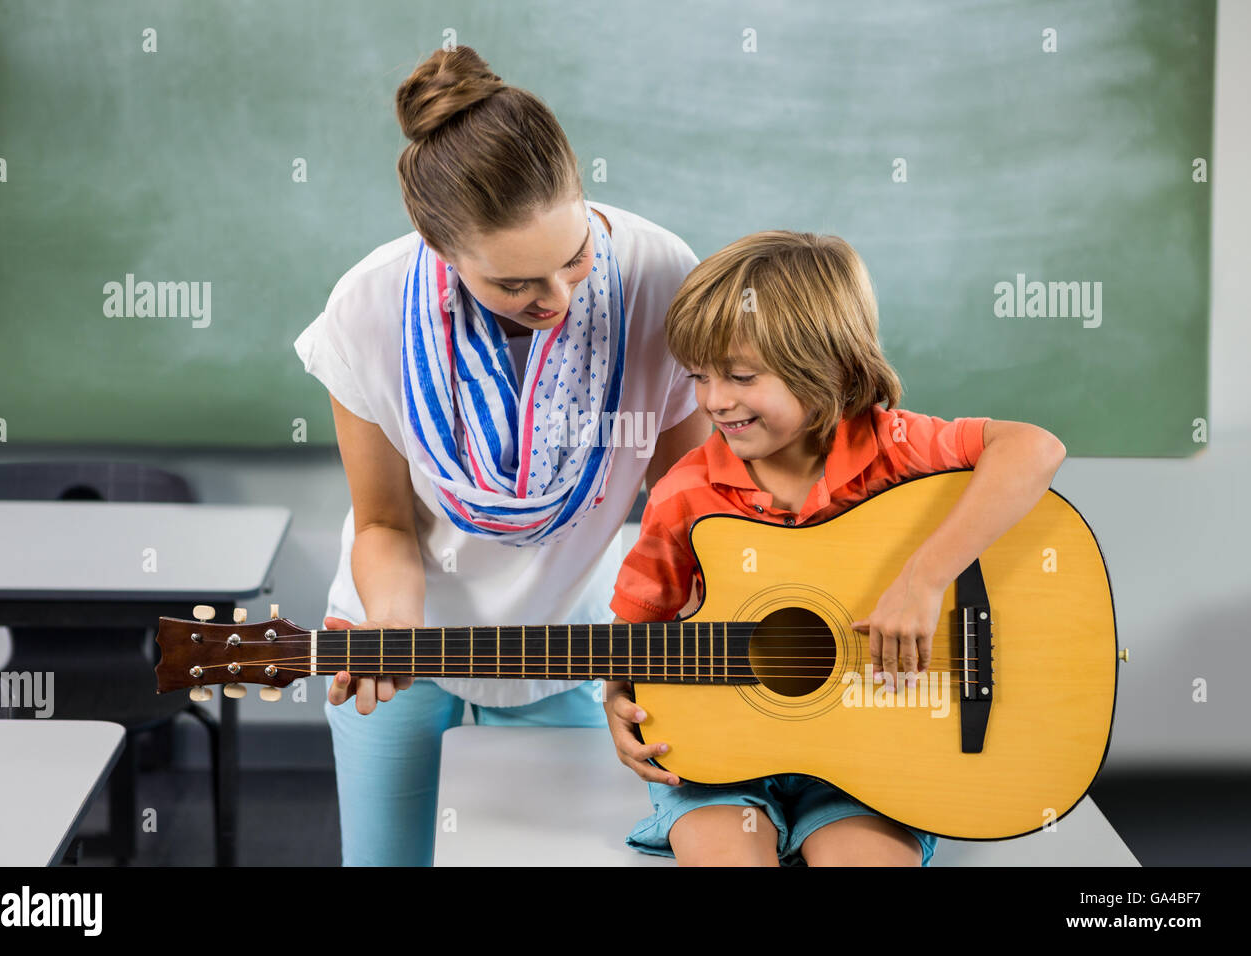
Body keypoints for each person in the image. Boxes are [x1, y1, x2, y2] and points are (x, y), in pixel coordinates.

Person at [292, 45, 711, 865]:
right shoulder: (367, 309)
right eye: (516, 284)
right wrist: (391, 631)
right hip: (413, 623)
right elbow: (382, 523)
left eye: (575, 257)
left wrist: (665, 656)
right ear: (438, 247)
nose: (556, 298)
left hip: (576, 639)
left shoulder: (663, 276)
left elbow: (683, 510)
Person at [604, 230, 1067, 866]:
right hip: (721, 763)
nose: (714, 401)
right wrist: (616, 705)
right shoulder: (685, 493)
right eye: (700, 377)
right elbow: (634, 632)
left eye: (740, 376)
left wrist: (923, 581)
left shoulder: (898, 446)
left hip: (875, 757)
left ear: (831, 367)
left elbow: (1035, 449)